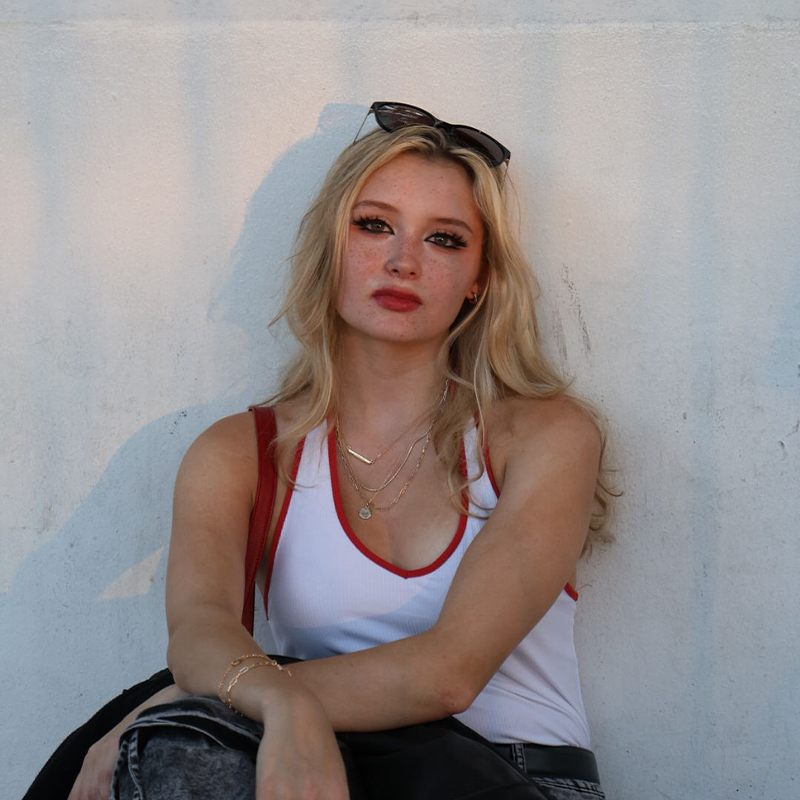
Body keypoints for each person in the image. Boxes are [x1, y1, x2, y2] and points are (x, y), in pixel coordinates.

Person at [62, 102, 614, 800]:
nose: (403, 260)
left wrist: (207, 694)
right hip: (323, 770)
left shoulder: (541, 434)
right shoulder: (241, 452)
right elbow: (199, 630)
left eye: (445, 239)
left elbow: (450, 672)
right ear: (333, 243)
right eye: (374, 224)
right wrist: (281, 708)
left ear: (478, 278)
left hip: (516, 779)